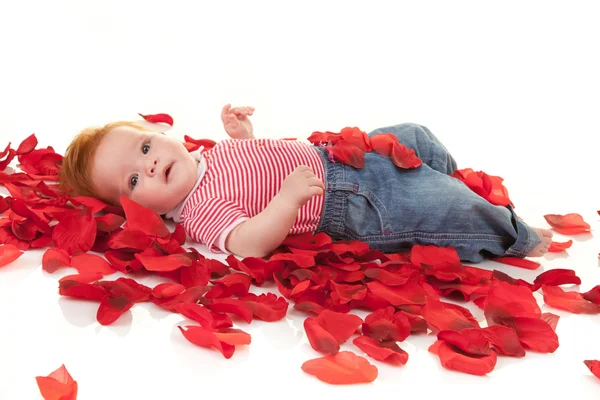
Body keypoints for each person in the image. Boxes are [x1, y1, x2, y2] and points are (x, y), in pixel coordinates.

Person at [58, 104, 553, 263]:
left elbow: (259, 163)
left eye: (145, 149)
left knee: (415, 136)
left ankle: (444, 179)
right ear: (137, 208)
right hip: (347, 202)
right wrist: (288, 200)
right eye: (133, 179)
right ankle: (514, 237)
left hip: (337, 158)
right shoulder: (197, 209)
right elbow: (248, 244)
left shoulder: (207, 157)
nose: (149, 166)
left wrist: (244, 136)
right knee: (440, 206)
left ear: (162, 134)